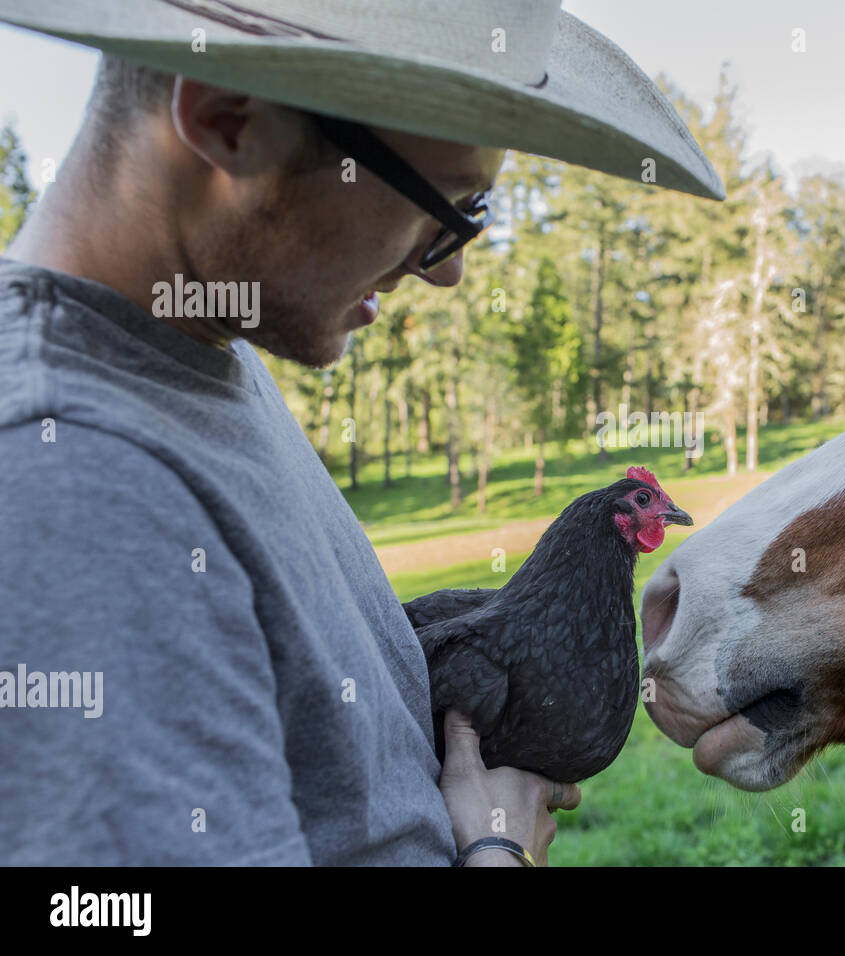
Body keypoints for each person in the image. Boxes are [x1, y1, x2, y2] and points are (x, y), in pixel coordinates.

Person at [0, 0, 722, 866]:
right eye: (443, 207)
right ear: (230, 122)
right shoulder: (74, 481)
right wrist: (498, 851)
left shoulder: (202, 352)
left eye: (476, 210)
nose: (451, 267)